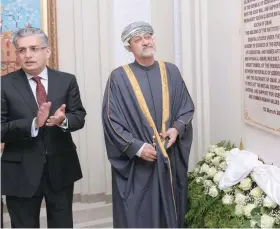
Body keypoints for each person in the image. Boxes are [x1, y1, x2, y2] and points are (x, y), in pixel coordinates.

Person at [102, 21, 195, 228]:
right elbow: (111, 120)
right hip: (139, 162)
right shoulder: (118, 77)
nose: (145, 42)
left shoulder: (171, 71)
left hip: (168, 157)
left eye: (148, 36)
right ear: (129, 47)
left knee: (170, 209)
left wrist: (176, 128)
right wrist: (137, 147)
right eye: (138, 39)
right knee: (140, 214)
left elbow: (186, 107)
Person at [1, 27, 86, 228]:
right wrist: (33, 124)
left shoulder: (67, 80)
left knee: (62, 224)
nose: (28, 55)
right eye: (21, 50)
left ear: (47, 51)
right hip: (20, 171)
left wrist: (62, 121)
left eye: (34, 48)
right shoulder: (4, 84)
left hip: (61, 167)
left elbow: (79, 116)